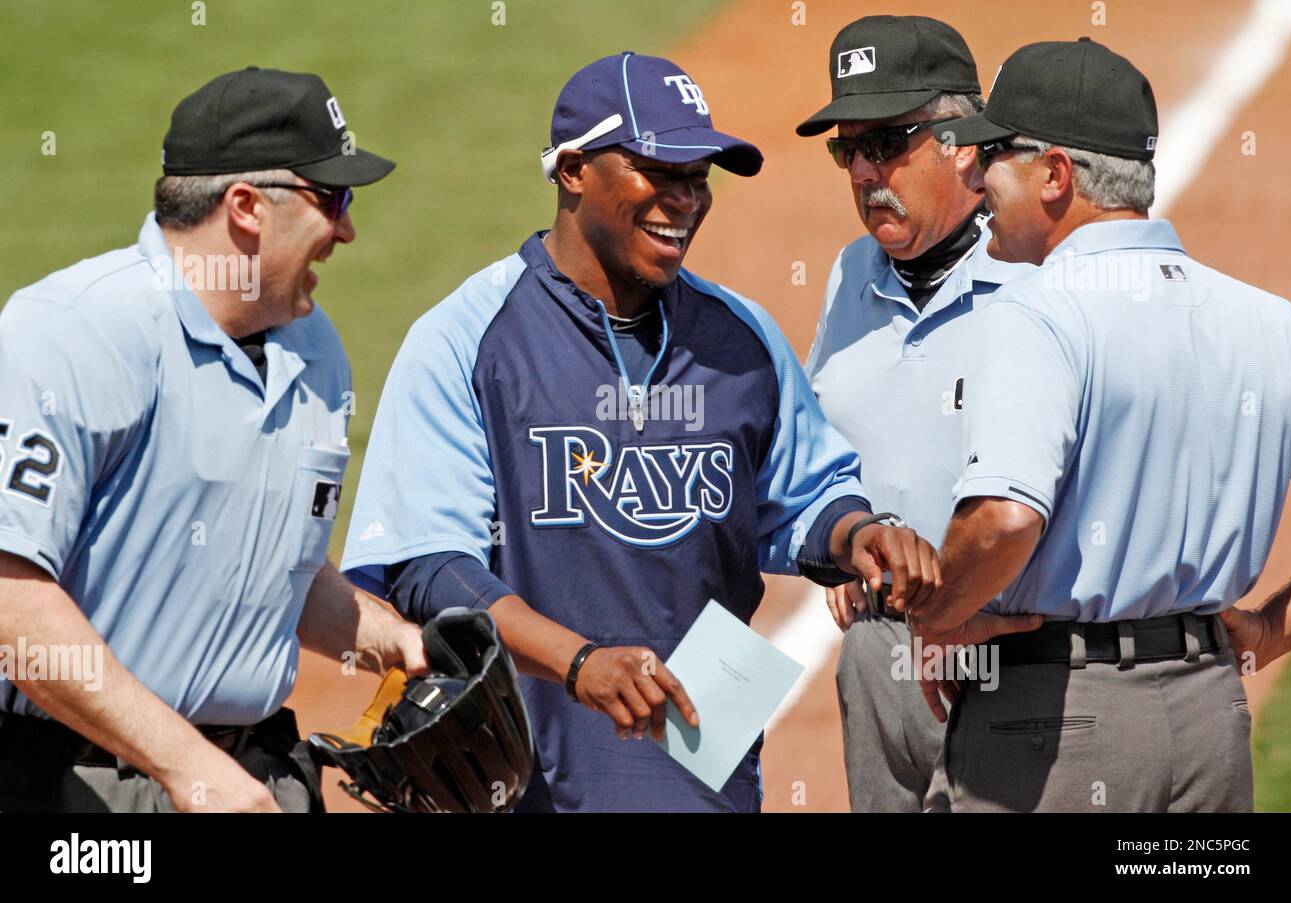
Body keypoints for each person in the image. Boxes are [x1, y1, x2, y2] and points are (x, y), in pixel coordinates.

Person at [339, 51, 947, 813]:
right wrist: (579, 662)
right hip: (530, 785)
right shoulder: (468, 340)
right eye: (658, 170)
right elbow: (430, 565)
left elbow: (807, 498)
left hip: (702, 779)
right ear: (572, 170)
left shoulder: (739, 339)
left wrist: (859, 537)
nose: (684, 199)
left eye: (698, 177)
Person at [0, 67, 426, 812]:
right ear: (247, 206)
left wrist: (384, 638)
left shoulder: (314, 352)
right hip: (80, 786)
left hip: (257, 779)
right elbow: (12, 603)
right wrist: (185, 765)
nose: (348, 229)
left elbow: (271, 560)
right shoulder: (75, 333)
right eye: (333, 199)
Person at [909, 38, 1291, 812]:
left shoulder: (1039, 314)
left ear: (1056, 174)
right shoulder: (1271, 324)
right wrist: (1268, 629)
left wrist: (937, 617)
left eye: (994, 156)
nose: (975, 177)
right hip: (1210, 726)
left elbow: (1004, 519)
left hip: (1056, 731)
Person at [799, 14, 1034, 813]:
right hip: (878, 658)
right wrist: (850, 537)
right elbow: (813, 449)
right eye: (847, 149)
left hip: (1010, 659)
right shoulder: (848, 275)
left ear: (963, 140)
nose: (865, 172)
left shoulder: (1037, 279)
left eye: (887, 143)